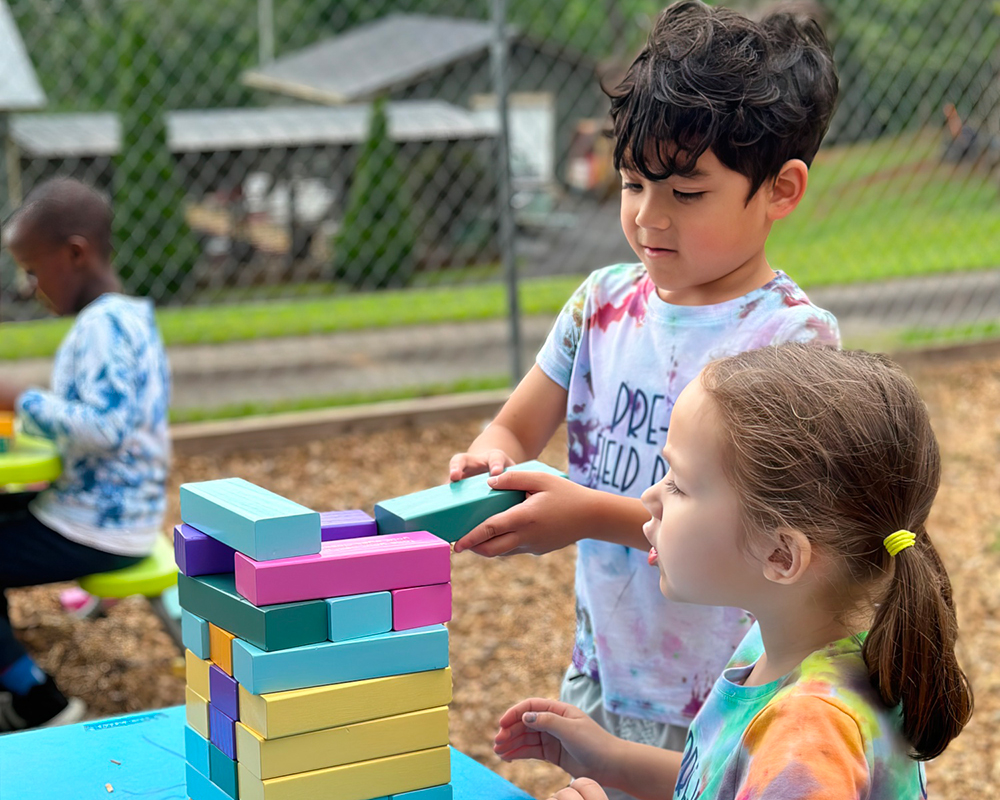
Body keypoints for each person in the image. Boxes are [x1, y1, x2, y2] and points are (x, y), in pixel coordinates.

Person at [448, 1, 840, 786]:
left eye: (686, 194)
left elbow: (759, 537)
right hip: (606, 663)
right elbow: (516, 423)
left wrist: (583, 513)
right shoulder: (600, 302)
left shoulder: (792, 345)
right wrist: (489, 462)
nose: (648, 218)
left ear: (781, 190)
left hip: (725, 683)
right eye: (633, 184)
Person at [494, 344, 974, 800]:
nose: (650, 497)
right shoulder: (797, 642)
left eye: (678, 485)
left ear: (782, 557)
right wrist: (612, 762)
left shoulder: (810, 732)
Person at [0, 177, 171, 731]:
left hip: (98, 526)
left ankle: (39, 702)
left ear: (74, 253)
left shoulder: (100, 326)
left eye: (32, 270)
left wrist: (20, 399)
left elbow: (107, 427)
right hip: (115, 517)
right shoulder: (129, 317)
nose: (29, 287)